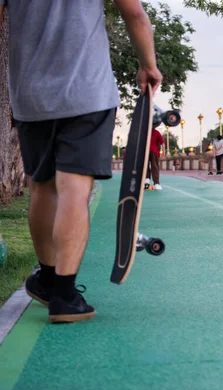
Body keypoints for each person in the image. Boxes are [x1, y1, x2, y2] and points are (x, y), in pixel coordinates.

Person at [0, 0, 162, 323]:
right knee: (74, 187)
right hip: (86, 91)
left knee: (41, 186)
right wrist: (148, 65)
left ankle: (47, 279)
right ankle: (64, 294)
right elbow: (134, 13)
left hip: (30, 95)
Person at [145, 122, 165, 190]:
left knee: (145, 167)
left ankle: (147, 181)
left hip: (146, 152)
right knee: (155, 167)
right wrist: (163, 153)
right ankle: (156, 183)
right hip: (154, 152)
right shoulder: (156, 132)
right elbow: (163, 143)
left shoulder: (145, 132)